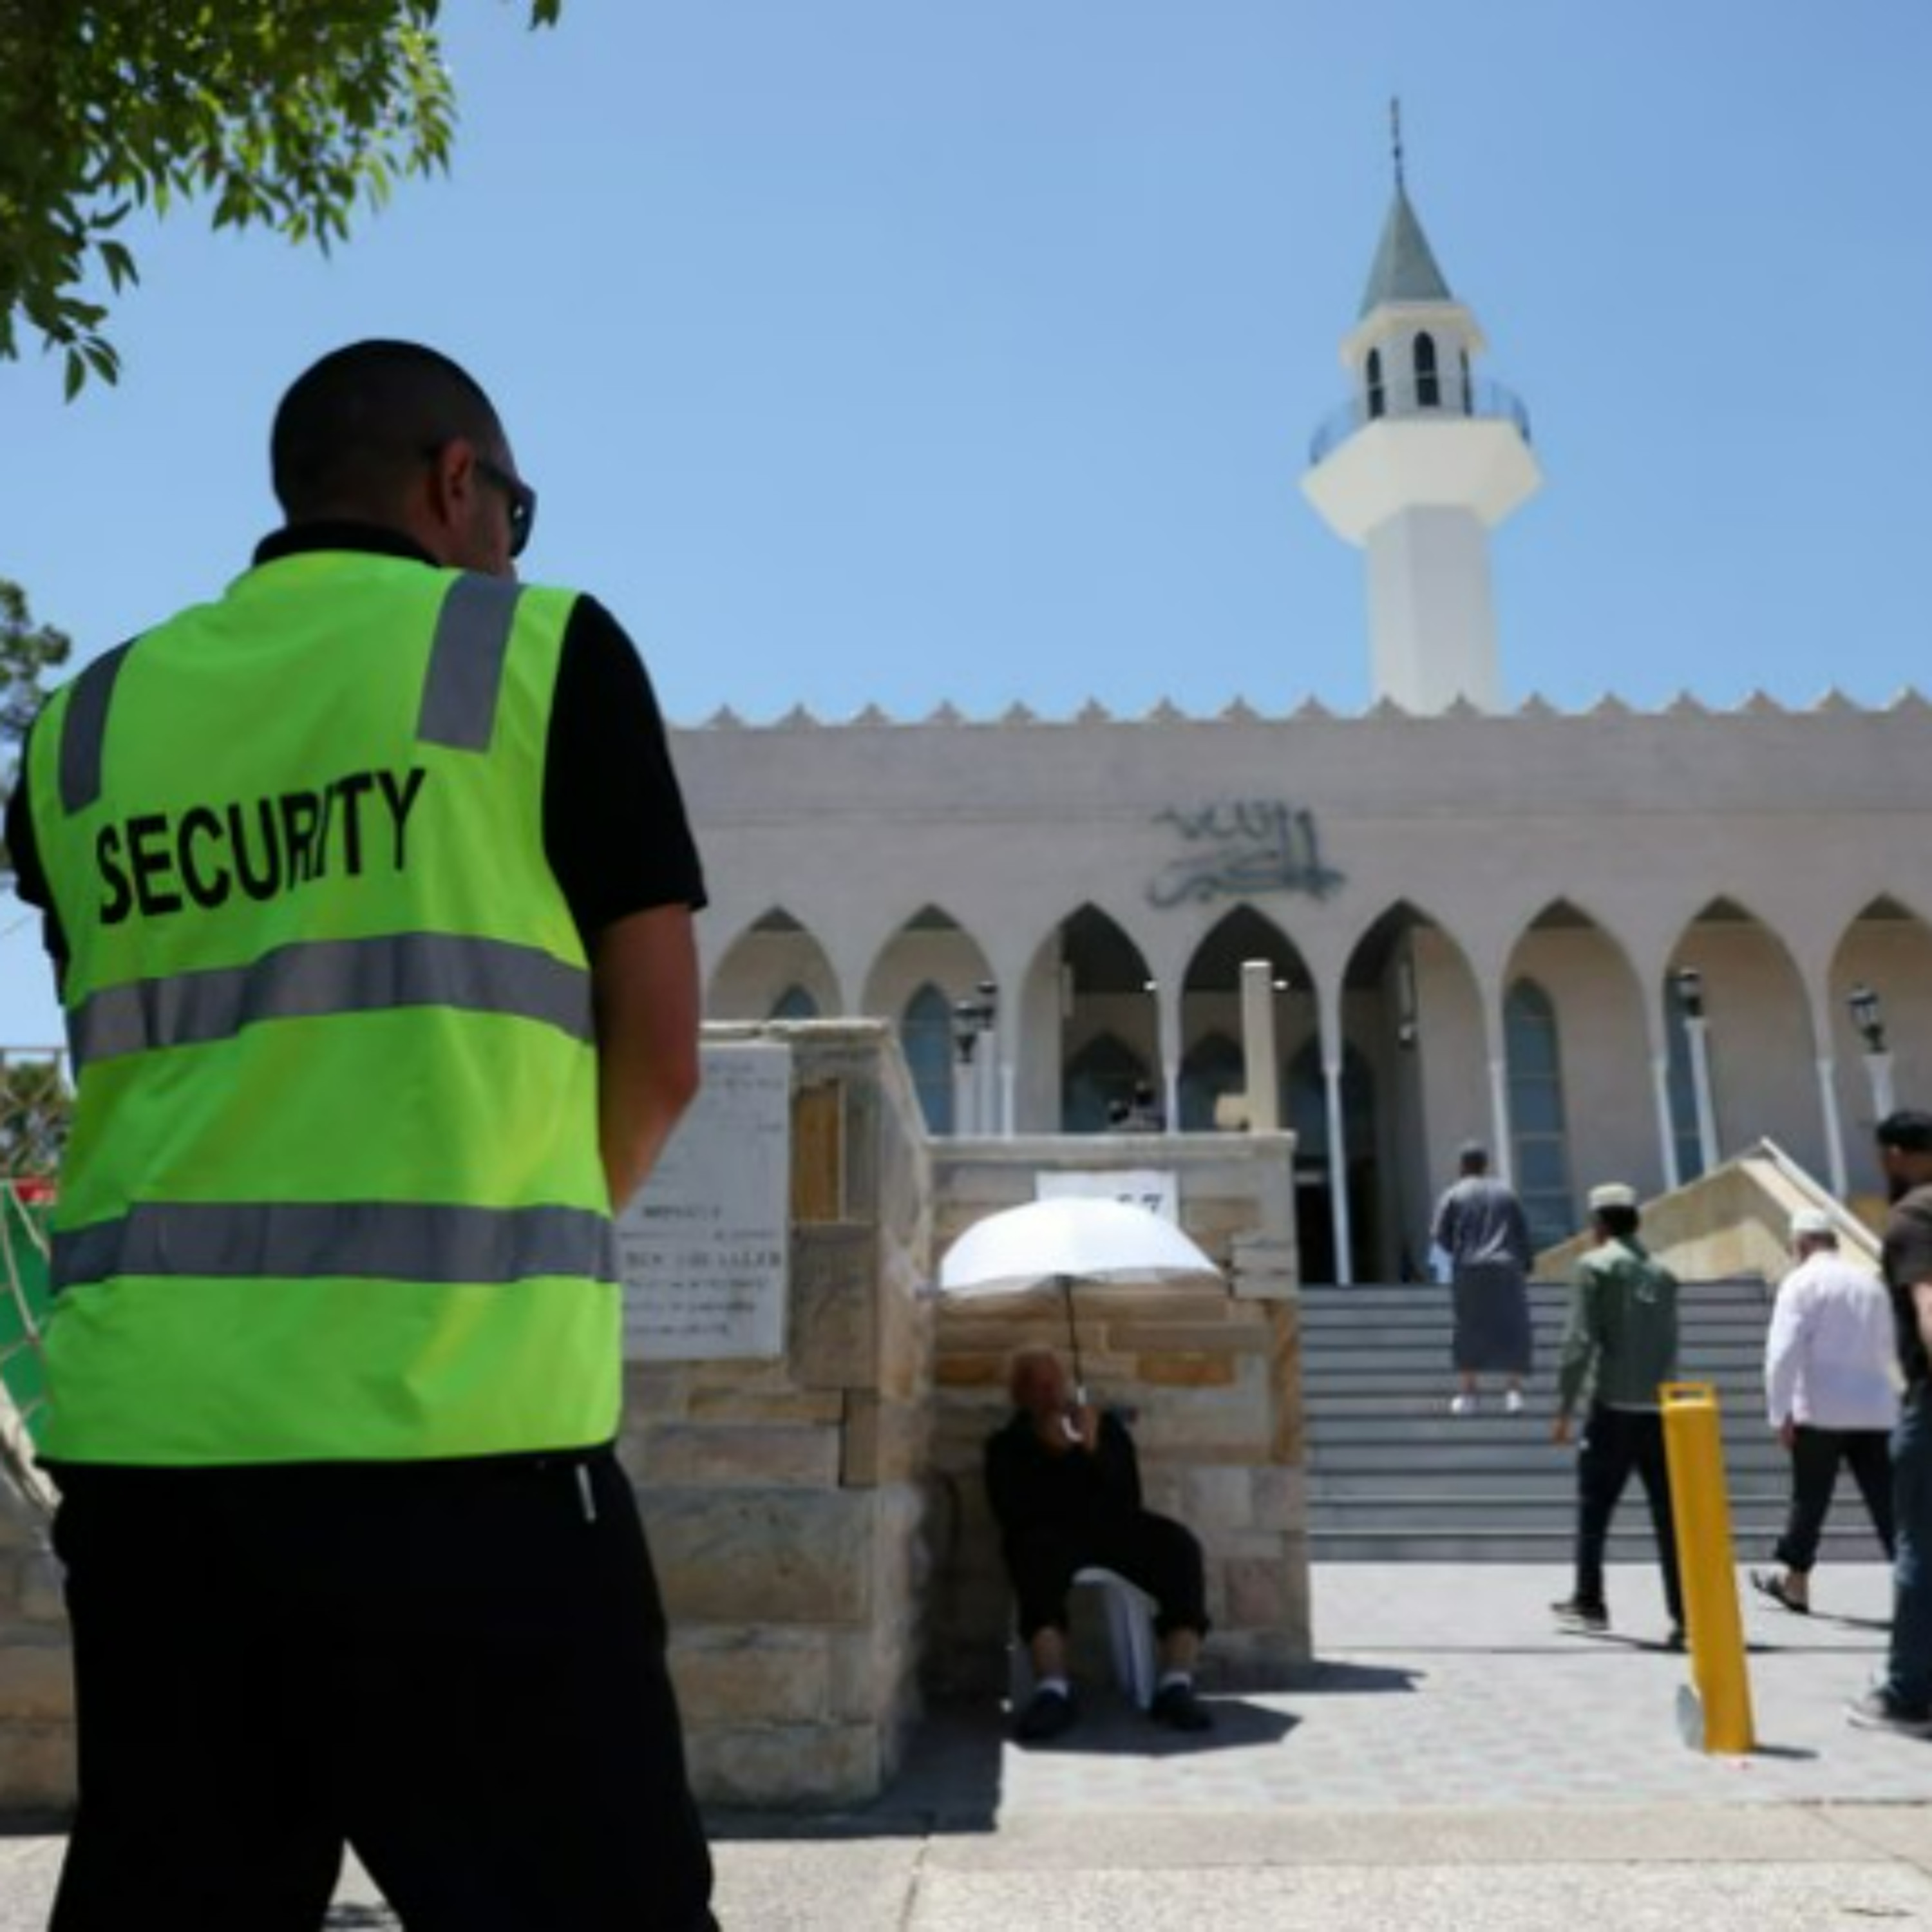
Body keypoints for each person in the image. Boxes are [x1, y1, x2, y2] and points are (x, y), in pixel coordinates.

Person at [6, 341, 717, 1929]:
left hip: (155, 1469)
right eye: (512, 509)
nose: (512, 546)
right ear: (457, 482)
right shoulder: (539, 655)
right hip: (463, 1460)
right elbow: (662, 1056)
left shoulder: (82, 726)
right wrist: (520, 1239)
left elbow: (145, 1055)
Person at [984, 1345, 1213, 1739]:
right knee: (1030, 1553)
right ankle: (1053, 1690)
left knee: (1180, 1548)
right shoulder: (1007, 1444)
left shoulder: (1103, 1428)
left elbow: (1129, 1498)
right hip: (1050, 1537)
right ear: (1020, 1395)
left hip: (1113, 1529)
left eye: (1055, 1383)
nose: (1051, 1393)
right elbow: (1012, 1512)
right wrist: (1050, 1454)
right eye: (1038, 1386)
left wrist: (1094, 1450)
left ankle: (1176, 1684)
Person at [1549, 1183, 1685, 1648]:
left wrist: (1565, 1407)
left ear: (1600, 1224)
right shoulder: (1663, 1275)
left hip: (1612, 1408)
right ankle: (1684, 1614)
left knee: (1594, 1508)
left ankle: (1590, 1600)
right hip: (1660, 1411)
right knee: (1669, 1517)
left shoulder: (1595, 1267)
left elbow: (1578, 1342)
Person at [1752, 1207, 1898, 1617]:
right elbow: (1890, 1347)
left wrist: (1780, 1412)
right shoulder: (1870, 1283)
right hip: (1875, 1412)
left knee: (1810, 1501)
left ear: (1800, 1244)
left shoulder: (1800, 1283)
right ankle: (1918, 1584)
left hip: (1819, 1412)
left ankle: (1796, 1584)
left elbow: (1782, 1353)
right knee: (1889, 1505)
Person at [1849, 1109, 1932, 1736]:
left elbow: (1929, 1305)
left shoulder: (1916, 1216)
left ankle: (1907, 1696)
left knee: (1920, 1548)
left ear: (1900, 1155)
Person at [1430, 1141, 1534, 1416]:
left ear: (1462, 1166)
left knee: (1468, 1327)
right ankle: (1513, 1393)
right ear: (1485, 1165)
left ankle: (1469, 1394)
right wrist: (1526, 1265)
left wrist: (1457, 1252)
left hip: (1469, 1267)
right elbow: (1522, 1233)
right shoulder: (1506, 1194)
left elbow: (1439, 1235)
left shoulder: (1453, 1194)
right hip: (1506, 1266)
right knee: (1512, 1327)